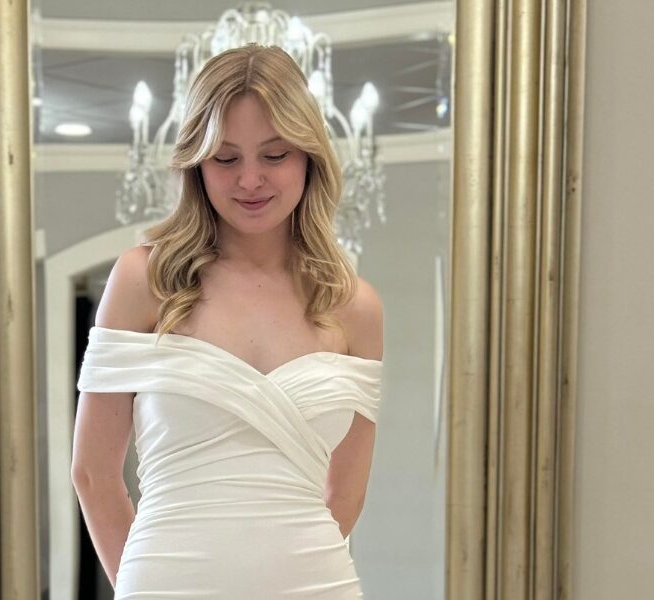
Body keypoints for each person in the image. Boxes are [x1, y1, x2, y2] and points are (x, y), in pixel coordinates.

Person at [71, 43, 384, 599]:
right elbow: (94, 475)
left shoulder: (354, 307)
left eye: (274, 154)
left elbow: (348, 493)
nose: (249, 181)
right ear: (196, 163)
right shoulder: (145, 281)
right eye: (225, 157)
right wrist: (146, 584)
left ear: (309, 156)